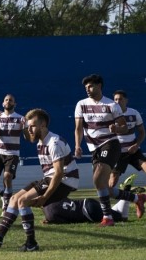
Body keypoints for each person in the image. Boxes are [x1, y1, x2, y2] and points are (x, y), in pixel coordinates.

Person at [0, 108, 79, 251]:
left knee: (23, 201)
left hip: (65, 181)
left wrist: (45, 197)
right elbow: (30, 139)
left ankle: (31, 243)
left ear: (43, 125)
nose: (29, 129)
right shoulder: (41, 141)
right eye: (28, 126)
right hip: (50, 178)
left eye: (32, 126)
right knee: (14, 199)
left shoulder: (54, 143)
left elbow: (59, 173)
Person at [74, 74, 145, 227]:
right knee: (105, 187)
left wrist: (117, 128)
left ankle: (108, 218)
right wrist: (77, 146)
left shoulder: (112, 105)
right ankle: (136, 198)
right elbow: (78, 128)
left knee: (97, 180)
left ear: (99, 86)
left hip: (111, 144)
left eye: (91, 86)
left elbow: (124, 127)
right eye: (86, 87)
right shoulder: (81, 104)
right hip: (94, 148)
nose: (87, 89)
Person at [108, 90, 146, 220]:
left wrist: (136, 145)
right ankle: (109, 209)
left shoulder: (134, 113)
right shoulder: (111, 115)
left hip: (134, 151)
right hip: (118, 153)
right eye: (115, 99)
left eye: (120, 99)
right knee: (112, 181)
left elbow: (142, 132)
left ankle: (139, 200)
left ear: (126, 100)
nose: (117, 102)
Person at [42, 198, 125, 224]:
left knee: (121, 217)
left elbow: (66, 222)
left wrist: (50, 221)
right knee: (112, 213)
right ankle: (126, 196)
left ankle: (127, 193)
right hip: (87, 201)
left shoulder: (49, 214)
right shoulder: (55, 197)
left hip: (88, 213)